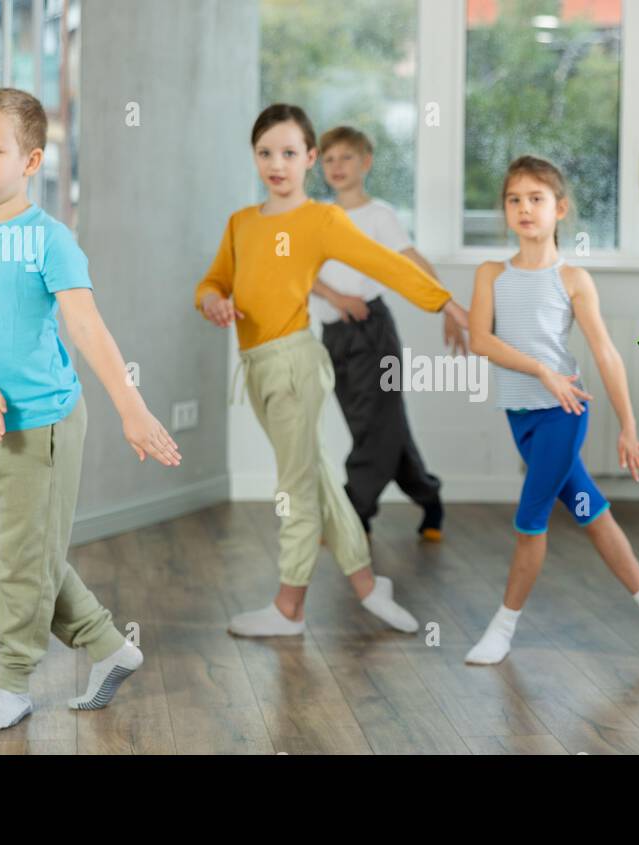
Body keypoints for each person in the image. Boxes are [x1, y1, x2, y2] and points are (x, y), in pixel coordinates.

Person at [0, 88, 181, 731]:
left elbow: (88, 328)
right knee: (12, 552)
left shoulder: (49, 240)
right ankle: (109, 648)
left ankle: (13, 683)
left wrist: (133, 408)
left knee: (23, 560)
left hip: (46, 426)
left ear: (31, 161)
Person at [195, 104, 470, 638]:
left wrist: (444, 302)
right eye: (266, 153)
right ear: (255, 157)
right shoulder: (242, 223)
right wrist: (212, 302)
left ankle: (288, 608)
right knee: (317, 478)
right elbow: (213, 281)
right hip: (255, 369)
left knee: (294, 489)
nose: (277, 164)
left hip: (295, 364)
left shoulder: (322, 220)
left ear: (309, 158)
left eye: (290, 153)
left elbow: (385, 263)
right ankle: (369, 587)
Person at [464, 155, 639, 666]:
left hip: (563, 412)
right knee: (592, 513)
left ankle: (503, 627)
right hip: (522, 416)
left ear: (559, 209)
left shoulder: (573, 278)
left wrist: (627, 425)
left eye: (536, 199)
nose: (524, 208)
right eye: (514, 199)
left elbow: (606, 352)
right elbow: (479, 340)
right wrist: (539, 369)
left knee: (529, 522)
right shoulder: (491, 274)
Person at [310, 126, 464, 541]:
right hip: (334, 335)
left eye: (347, 157)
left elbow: (409, 260)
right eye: (329, 159)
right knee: (377, 427)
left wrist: (445, 305)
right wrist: (336, 296)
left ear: (366, 162)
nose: (337, 166)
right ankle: (429, 496)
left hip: (372, 332)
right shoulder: (317, 216)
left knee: (379, 425)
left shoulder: (379, 216)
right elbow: (301, 273)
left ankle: (352, 513)